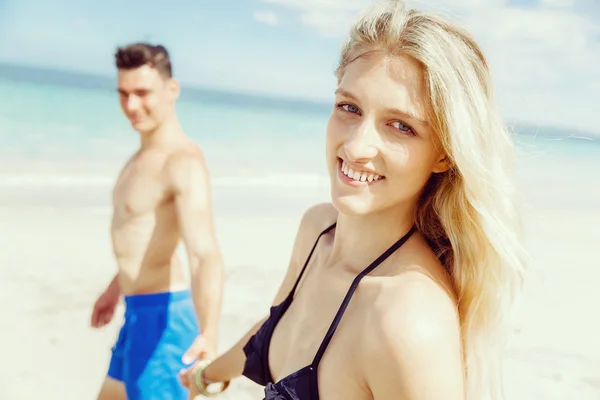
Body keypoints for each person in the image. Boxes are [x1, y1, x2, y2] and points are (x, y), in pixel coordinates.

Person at [180, 0, 527, 399]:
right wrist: (206, 375)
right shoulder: (317, 230)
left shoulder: (408, 323)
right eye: (349, 107)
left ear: (445, 153)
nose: (357, 145)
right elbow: (275, 326)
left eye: (401, 126)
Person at [90, 43, 226, 400]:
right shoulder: (139, 158)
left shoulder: (183, 162)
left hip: (164, 323)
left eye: (142, 93)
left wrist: (209, 333)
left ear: (172, 90)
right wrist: (115, 287)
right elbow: (143, 237)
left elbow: (204, 254)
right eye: (123, 94)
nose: (131, 106)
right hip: (135, 313)